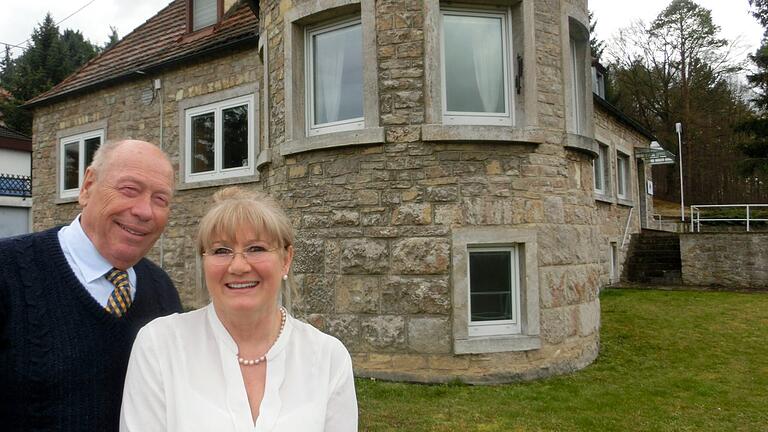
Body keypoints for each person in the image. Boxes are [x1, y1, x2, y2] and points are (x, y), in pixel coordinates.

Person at [120, 187, 358, 432]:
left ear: (286, 259)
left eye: (256, 248)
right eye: (221, 251)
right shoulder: (160, 345)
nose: (238, 266)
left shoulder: (328, 358)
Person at [0, 139, 182, 432]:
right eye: (129, 190)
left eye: (160, 199)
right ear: (87, 187)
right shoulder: (8, 271)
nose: (145, 211)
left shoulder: (162, 291)